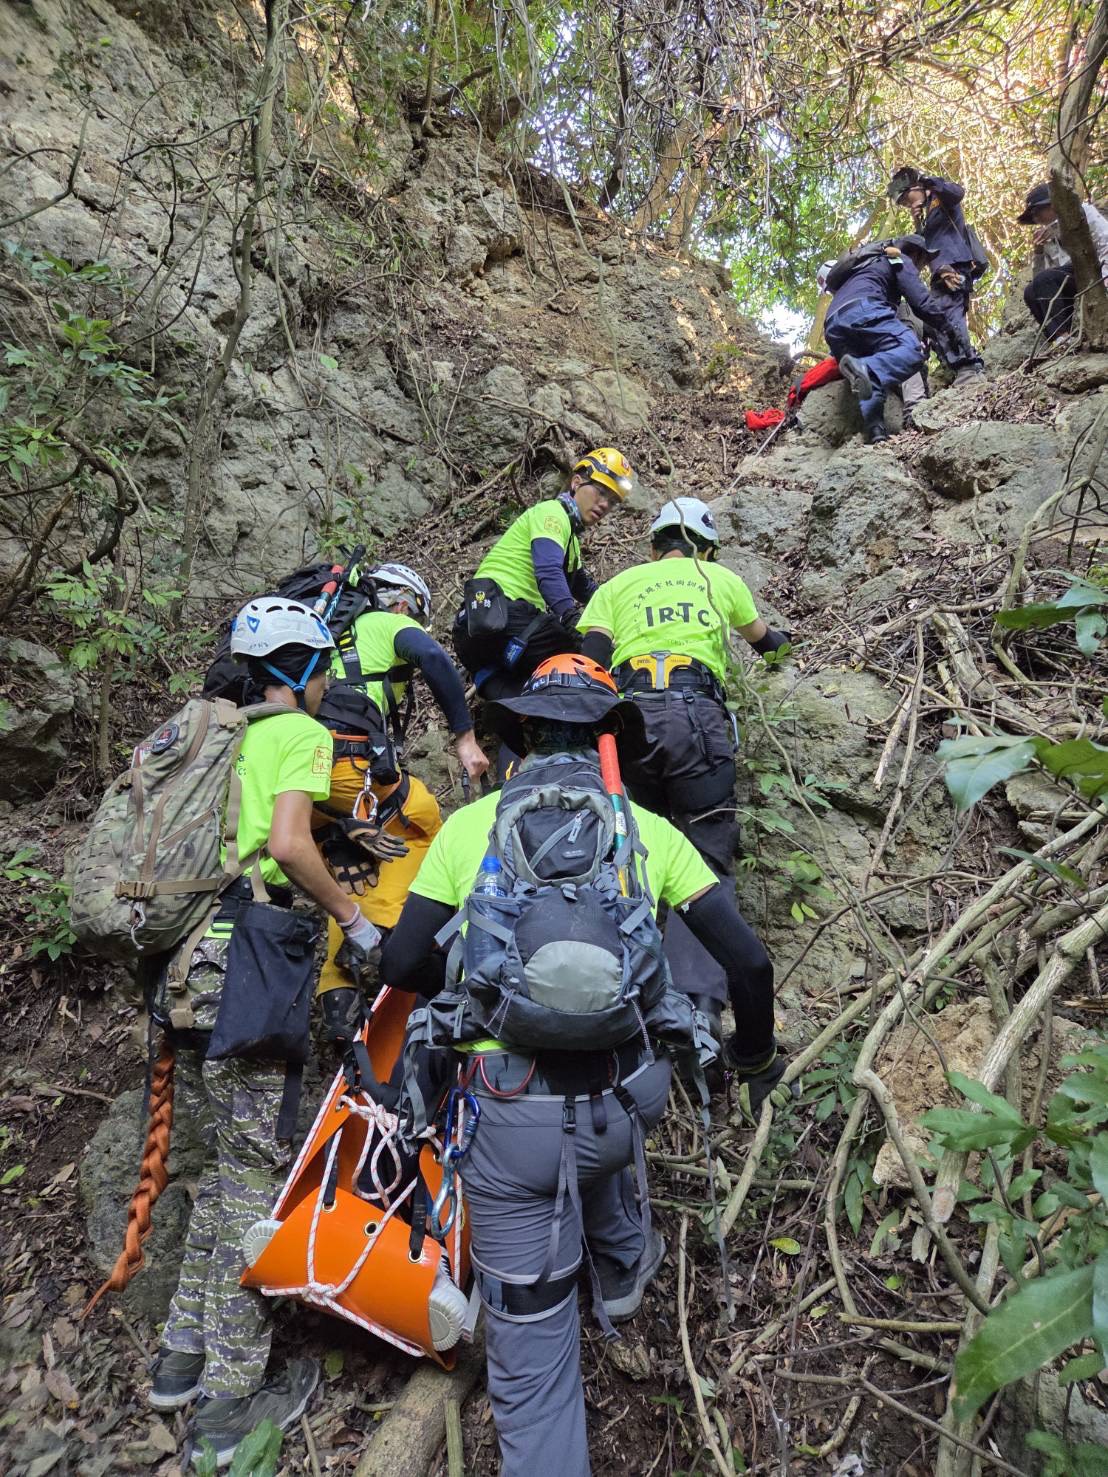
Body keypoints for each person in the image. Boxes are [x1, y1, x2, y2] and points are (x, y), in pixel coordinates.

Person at [378, 654, 786, 1477]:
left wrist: (465, 979)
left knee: (531, 1363)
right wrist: (752, 1054)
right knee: (607, 1136)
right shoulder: (647, 832)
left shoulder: (472, 829)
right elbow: (748, 963)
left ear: (522, 734)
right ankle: (625, 1270)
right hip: (626, 1098)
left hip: (509, 1116)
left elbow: (400, 959)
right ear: (609, 739)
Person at [147, 598, 383, 1467]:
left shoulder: (216, 734)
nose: (327, 683)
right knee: (255, 1178)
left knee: (216, 1174)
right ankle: (228, 1405)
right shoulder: (299, 733)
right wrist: (356, 920)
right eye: (322, 668)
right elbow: (286, 844)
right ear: (300, 670)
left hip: (183, 970)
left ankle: (180, 1359)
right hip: (249, 968)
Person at [578, 498, 786, 1038]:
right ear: (708, 547)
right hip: (698, 719)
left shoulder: (619, 586)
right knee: (705, 856)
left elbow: (589, 661)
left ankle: (612, 990)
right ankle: (697, 1007)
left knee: (623, 849)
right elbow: (766, 645)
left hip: (627, 722)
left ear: (654, 547)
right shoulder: (718, 578)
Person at [313, 562, 489, 1036]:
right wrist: (465, 737)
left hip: (301, 776)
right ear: (402, 601)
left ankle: (337, 992)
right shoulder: (388, 622)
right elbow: (433, 659)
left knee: (353, 858)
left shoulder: (323, 639)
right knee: (423, 823)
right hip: (347, 768)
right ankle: (399, 941)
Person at [451, 448, 633, 703]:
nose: (605, 504)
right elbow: (548, 572)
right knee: (585, 652)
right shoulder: (551, 513)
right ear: (577, 481)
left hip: (474, 633)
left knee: (527, 703)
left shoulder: (570, 542)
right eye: (601, 492)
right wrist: (572, 622)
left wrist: (626, 611)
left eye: (612, 501)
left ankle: (519, 728)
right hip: (504, 615)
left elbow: (587, 590)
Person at [824, 238, 951, 444]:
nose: (922, 268)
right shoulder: (898, 258)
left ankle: (876, 432)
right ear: (916, 254)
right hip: (864, 310)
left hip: (832, 325)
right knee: (910, 350)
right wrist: (948, 327)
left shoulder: (864, 265)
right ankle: (865, 367)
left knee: (868, 379)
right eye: (924, 261)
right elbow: (920, 302)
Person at [888, 165, 985, 384]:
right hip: (938, 272)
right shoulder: (926, 213)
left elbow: (957, 192)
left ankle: (967, 368)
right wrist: (917, 222)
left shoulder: (940, 197)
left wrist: (927, 180)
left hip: (955, 265)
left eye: (905, 198)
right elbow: (926, 244)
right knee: (931, 321)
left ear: (917, 187)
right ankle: (959, 365)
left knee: (948, 314)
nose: (906, 204)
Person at [1018, 181, 1108, 341]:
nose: (1035, 217)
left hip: (1095, 269)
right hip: (1072, 280)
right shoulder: (1046, 236)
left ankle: (1062, 336)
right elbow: (1041, 281)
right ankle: (1059, 337)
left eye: (1037, 211)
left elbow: (1105, 241)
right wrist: (1038, 252)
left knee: (1046, 279)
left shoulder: (1082, 212)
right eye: (1032, 214)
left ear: (1053, 205)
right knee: (1030, 292)